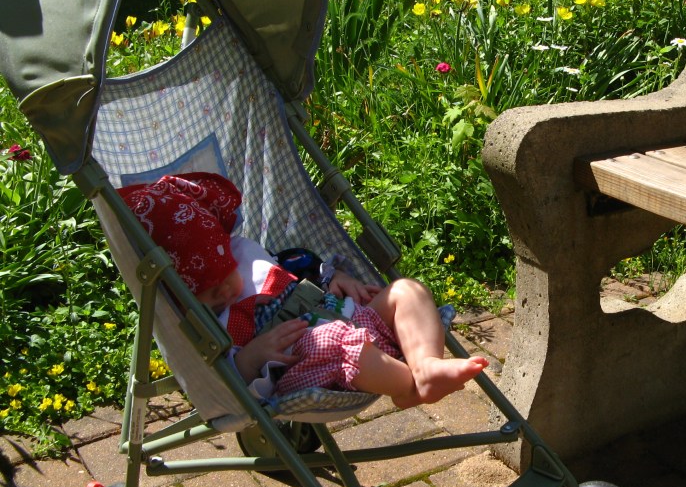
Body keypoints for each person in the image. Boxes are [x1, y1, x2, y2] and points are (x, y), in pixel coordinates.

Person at [118, 172, 487, 409]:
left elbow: (296, 265)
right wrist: (253, 356)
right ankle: (408, 386)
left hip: (349, 315)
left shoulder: (246, 254)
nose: (225, 292)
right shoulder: (209, 326)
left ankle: (426, 366)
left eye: (223, 278)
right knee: (336, 338)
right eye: (208, 294)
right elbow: (227, 378)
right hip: (312, 359)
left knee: (407, 290)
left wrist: (333, 277)